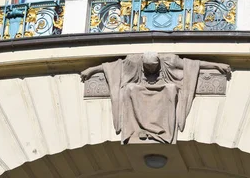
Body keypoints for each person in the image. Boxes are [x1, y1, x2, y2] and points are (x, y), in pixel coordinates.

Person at [81, 52, 231, 144]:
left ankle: (162, 131)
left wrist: (216, 65)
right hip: (140, 89)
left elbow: (192, 64)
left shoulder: (169, 60)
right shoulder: (133, 61)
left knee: (171, 89)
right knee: (130, 90)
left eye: (153, 67)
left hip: (162, 88)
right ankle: (136, 130)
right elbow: (113, 66)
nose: (151, 70)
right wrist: (91, 69)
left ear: (158, 63)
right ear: (143, 64)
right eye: (148, 68)